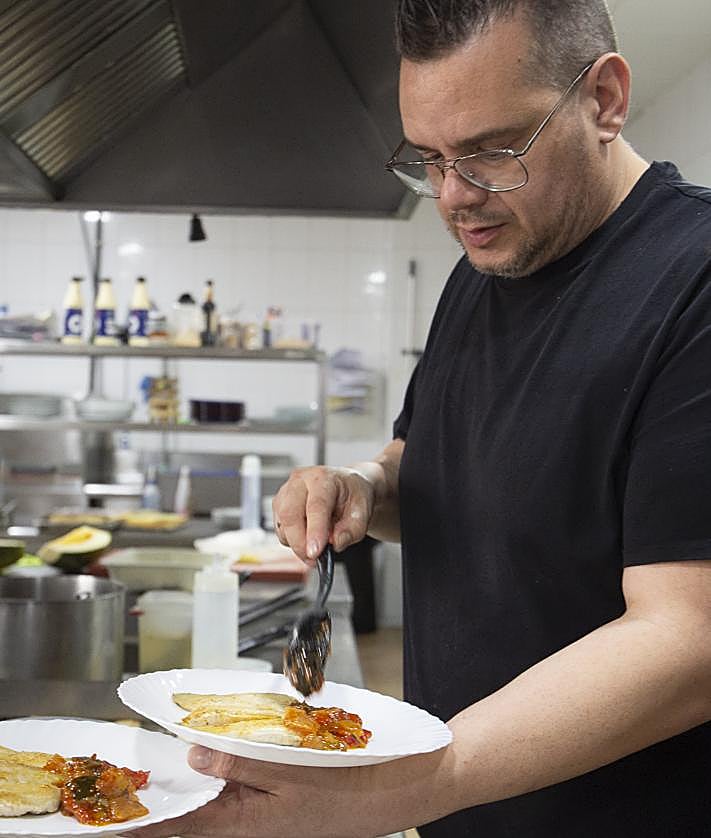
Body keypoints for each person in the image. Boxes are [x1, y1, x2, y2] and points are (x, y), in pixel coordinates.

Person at [127, 1, 711, 836]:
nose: (453, 197)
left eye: (491, 152)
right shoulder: (483, 271)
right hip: (463, 813)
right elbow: (439, 464)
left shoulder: (692, 281)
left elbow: (688, 639)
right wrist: (363, 486)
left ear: (604, 100)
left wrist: (405, 786)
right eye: (428, 159)